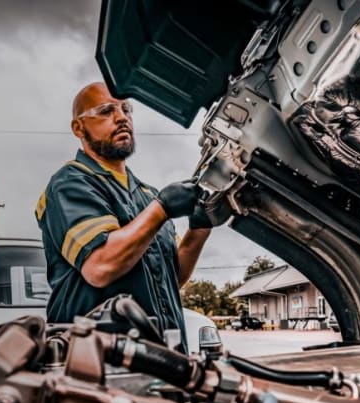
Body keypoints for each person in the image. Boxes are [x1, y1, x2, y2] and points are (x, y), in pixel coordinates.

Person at [36, 82, 221, 349]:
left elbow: (172, 276)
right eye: (106, 111)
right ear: (79, 128)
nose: (122, 117)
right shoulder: (70, 184)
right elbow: (100, 267)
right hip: (98, 367)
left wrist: (201, 226)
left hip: (164, 358)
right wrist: (163, 209)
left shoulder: (147, 195)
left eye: (126, 109)